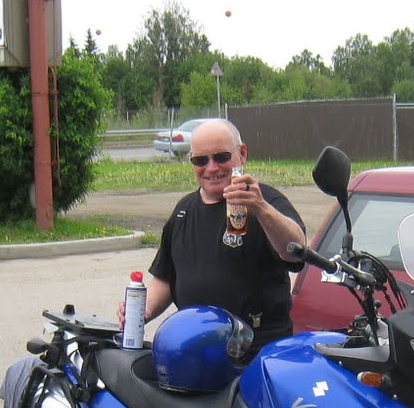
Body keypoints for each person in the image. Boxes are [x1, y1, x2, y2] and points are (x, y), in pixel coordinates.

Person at [123, 118, 305, 356]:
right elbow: (166, 277)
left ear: (242, 153)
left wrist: (261, 208)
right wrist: (143, 311)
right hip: (196, 354)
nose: (211, 168)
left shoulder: (265, 201)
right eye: (200, 160)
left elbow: (296, 250)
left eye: (221, 157)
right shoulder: (183, 211)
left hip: (258, 355)